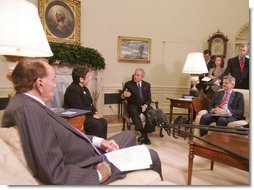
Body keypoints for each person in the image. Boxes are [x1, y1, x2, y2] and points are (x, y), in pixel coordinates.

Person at [1, 58, 162, 185]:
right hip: (90, 164)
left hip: (91, 150)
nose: (54, 84)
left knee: (128, 135)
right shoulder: (27, 110)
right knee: (151, 155)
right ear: (40, 83)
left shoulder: (31, 105)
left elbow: (64, 135)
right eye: (53, 79)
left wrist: (100, 142)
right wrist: (98, 174)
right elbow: (54, 173)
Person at [63, 65, 107, 139]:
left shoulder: (84, 88)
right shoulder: (73, 89)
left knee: (103, 121)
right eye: (88, 76)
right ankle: (93, 146)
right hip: (76, 117)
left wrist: (96, 111)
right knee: (96, 124)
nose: (89, 78)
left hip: (85, 115)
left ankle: (102, 144)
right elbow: (79, 108)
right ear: (81, 79)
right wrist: (92, 115)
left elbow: (90, 103)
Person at [121, 68, 154, 145]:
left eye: (137, 75)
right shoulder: (128, 84)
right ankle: (144, 134)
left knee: (152, 113)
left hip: (144, 106)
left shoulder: (147, 85)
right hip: (133, 105)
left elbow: (149, 99)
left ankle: (145, 134)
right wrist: (123, 95)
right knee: (134, 112)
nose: (135, 76)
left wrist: (145, 106)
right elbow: (121, 97)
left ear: (142, 77)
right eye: (135, 74)